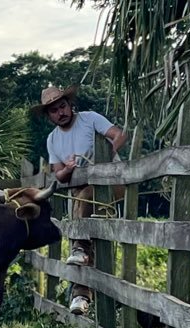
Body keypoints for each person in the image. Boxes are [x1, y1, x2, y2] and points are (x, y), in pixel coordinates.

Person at [32, 85, 127, 314]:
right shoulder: (53, 139)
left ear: (69, 104)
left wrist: (104, 159)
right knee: (84, 223)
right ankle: (81, 295)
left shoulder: (89, 119)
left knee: (82, 205)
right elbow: (59, 174)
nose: (60, 112)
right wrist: (70, 168)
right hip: (82, 195)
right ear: (49, 116)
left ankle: (79, 251)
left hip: (110, 184)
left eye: (62, 106)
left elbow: (120, 135)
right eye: (53, 111)